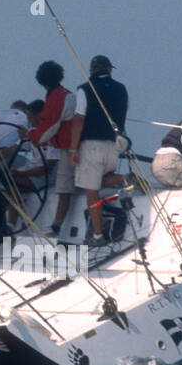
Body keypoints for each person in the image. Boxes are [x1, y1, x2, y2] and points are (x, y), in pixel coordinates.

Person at [67, 55, 129, 246]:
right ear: (109, 70)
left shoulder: (85, 89)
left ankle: (97, 236)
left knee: (91, 191)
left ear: (92, 70)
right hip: (114, 145)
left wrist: (73, 148)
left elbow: (79, 119)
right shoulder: (121, 89)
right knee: (101, 180)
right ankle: (123, 179)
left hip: (91, 145)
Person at [30, 61, 76, 238]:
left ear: (42, 81)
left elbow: (45, 132)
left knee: (64, 189)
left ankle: (56, 226)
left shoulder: (56, 98)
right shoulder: (66, 94)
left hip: (68, 149)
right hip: (75, 146)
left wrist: (30, 135)